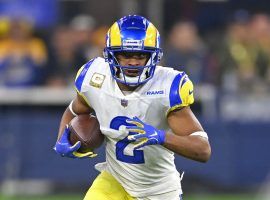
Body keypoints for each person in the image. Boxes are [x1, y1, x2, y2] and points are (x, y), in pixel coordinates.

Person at [53, 15, 211, 200]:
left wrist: (161, 137)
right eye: (126, 55)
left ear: (153, 56)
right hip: (115, 180)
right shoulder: (95, 77)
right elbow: (74, 110)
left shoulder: (166, 87)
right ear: (111, 54)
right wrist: (62, 138)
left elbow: (203, 150)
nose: (133, 62)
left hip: (158, 190)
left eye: (140, 55)